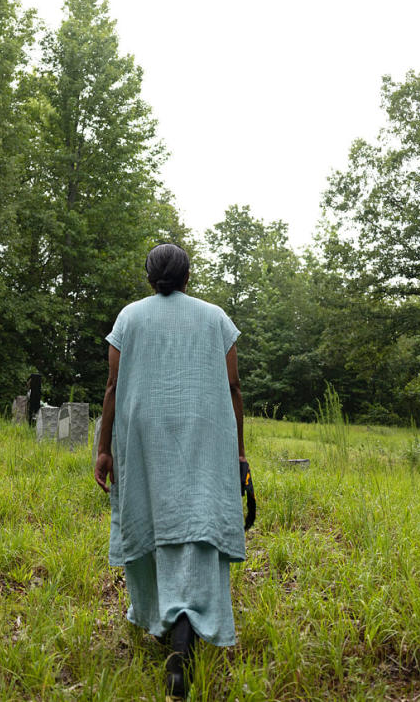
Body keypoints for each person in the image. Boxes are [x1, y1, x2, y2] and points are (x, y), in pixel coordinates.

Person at [94, 243, 247, 701]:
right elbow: (234, 385)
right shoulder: (217, 318)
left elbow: (113, 386)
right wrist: (238, 450)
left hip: (143, 435)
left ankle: (166, 621)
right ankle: (188, 627)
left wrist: (104, 448)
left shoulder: (128, 318)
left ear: (149, 276)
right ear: (187, 276)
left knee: (153, 518)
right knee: (197, 523)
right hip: (204, 431)